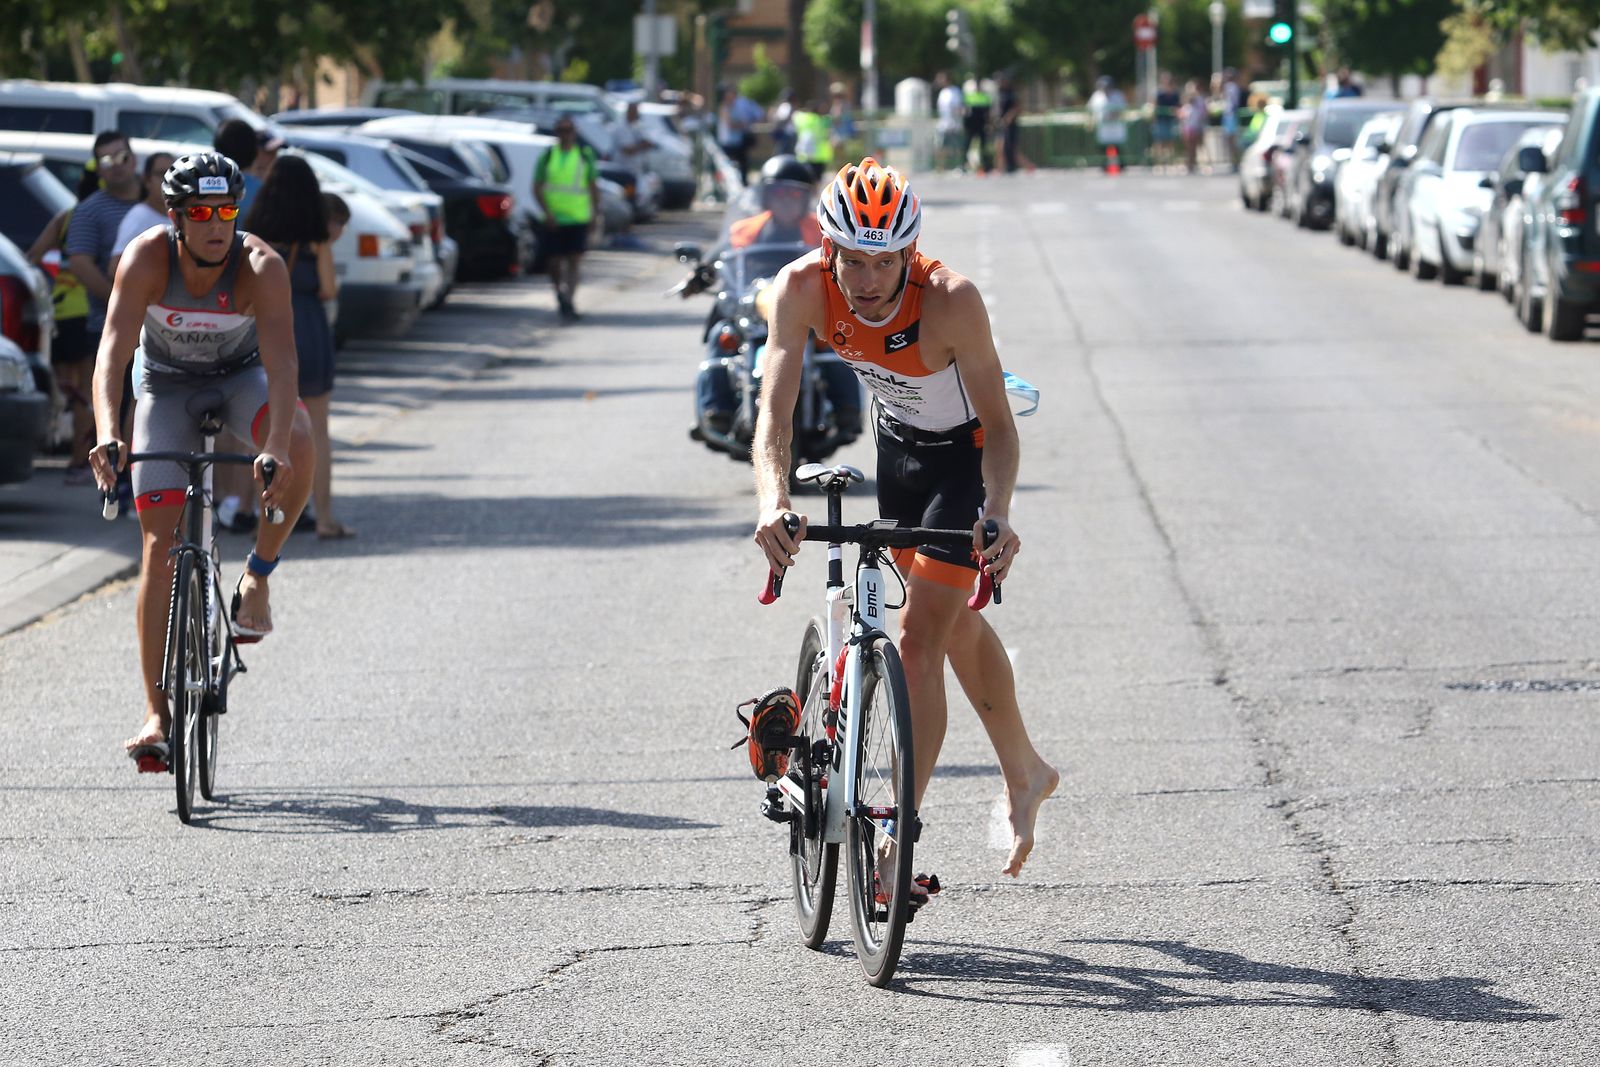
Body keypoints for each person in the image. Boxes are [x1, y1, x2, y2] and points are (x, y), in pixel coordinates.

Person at [750, 158, 1058, 883]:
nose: (865, 280)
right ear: (829, 249)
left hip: (962, 459)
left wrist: (999, 512)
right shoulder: (802, 289)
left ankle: (894, 844)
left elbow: (1003, 429)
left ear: (909, 252)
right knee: (946, 618)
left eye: (883, 261)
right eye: (851, 259)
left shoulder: (951, 301)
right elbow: (773, 416)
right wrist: (772, 500)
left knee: (919, 637)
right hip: (899, 450)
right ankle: (1027, 769)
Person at [86, 152, 314, 769]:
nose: (217, 224)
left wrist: (270, 450)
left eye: (227, 211)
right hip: (165, 387)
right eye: (201, 213)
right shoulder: (147, 258)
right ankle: (158, 714)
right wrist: (110, 432)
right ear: (176, 218)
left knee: (299, 438)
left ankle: (258, 575)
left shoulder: (259, 266)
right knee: (159, 549)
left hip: (240, 380)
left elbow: (285, 364)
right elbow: (111, 353)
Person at [245, 155, 350, 541]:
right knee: (317, 429)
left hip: (265, 329)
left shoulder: (255, 233)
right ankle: (322, 517)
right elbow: (328, 289)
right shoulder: (315, 238)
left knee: (263, 425)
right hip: (307, 325)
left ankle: (260, 512)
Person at [65, 131, 143, 510]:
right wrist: (120, 301)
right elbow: (79, 262)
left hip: (162, 328)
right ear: (98, 168)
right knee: (119, 406)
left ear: (133, 157)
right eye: (106, 161)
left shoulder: (157, 202)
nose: (117, 166)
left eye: (121, 156)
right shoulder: (91, 210)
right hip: (111, 327)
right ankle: (118, 487)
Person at [24, 148, 101, 483]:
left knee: (65, 385)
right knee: (87, 388)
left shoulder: (68, 217)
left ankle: (59, 440)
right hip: (88, 312)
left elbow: (32, 257)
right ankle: (77, 460)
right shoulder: (105, 217)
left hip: (60, 310)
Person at [533, 116, 601, 322]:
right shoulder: (547, 156)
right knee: (553, 263)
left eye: (569, 130)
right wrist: (548, 213)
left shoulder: (583, 155)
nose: (565, 135)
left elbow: (592, 186)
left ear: (574, 132)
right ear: (557, 133)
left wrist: (594, 214)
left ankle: (569, 300)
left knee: (574, 261)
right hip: (554, 219)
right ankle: (559, 293)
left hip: (578, 218)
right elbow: (537, 187)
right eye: (561, 130)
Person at [109, 152, 175, 277]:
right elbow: (115, 267)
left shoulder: (183, 215)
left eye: (173, 173)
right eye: (161, 174)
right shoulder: (138, 217)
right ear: (147, 180)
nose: (168, 180)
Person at [1088, 77, 1127, 170]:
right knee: (1103, 145)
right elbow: (1090, 108)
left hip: (1115, 124)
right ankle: (1104, 163)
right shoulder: (1096, 96)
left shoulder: (1117, 95)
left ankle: (1120, 163)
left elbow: (1122, 107)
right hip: (1102, 125)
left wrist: (1114, 114)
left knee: (1117, 144)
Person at [934, 72, 966, 171]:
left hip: (954, 125)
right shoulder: (942, 92)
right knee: (940, 146)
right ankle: (941, 167)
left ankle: (958, 166)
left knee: (956, 147)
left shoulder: (955, 91)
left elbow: (958, 107)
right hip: (943, 124)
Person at [962, 77, 993, 174]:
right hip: (971, 126)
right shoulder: (969, 97)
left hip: (982, 126)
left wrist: (989, 125)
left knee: (984, 147)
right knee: (967, 146)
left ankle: (986, 166)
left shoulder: (985, 97)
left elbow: (988, 113)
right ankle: (964, 165)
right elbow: (965, 113)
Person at [1152, 72, 1181, 172]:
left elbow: (1178, 106)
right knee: (1160, 142)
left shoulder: (1175, 94)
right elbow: (1154, 107)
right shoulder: (1159, 94)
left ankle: (1170, 163)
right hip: (1161, 120)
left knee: (1170, 143)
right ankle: (1159, 163)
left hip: (1171, 121)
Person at [996, 71, 1022, 174]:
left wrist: (1009, 117)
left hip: (1011, 124)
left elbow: (1017, 107)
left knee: (1010, 145)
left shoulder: (1011, 93)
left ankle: (1012, 166)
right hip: (1002, 123)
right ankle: (1004, 166)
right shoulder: (1000, 93)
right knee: (1002, 145)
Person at [1181, 80, 1208, 174]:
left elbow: (1204, 113)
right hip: (1189, 128)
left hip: (1197, 127)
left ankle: (1200, 164)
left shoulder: (1200, 101)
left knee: (1199, 147)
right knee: (1190, 148)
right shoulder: (1187, 106)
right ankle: (1190, 165)